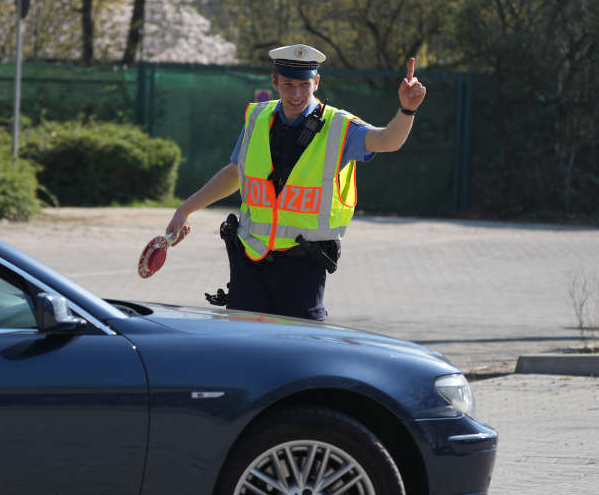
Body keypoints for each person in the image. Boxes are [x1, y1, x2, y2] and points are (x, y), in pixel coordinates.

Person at [165, 44, 426, 321]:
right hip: (250, 261)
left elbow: (387, 140)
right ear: (275, 81)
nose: (296, 93)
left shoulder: (338, 126)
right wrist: (185, 209)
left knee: (300, 349)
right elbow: (235, 173)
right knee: (244, 348)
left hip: (302, 265)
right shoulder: (257, 118)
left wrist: (406, 110)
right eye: (288, 84)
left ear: (316, 82)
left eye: (304, 84)